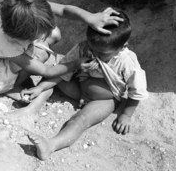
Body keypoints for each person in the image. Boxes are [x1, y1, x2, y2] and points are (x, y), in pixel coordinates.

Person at [22, 11, 149, 160]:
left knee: (80, 120)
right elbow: (64, 69)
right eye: (92, 47)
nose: (94, 53)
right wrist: (40, 87)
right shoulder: (84, 47)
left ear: (122, 47)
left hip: (103, 101)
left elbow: (137, 91)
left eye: (101, 53)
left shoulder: (127, 62)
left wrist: (126, 115)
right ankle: (33, 106)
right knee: (53, 74)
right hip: (78, 88)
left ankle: (50, 146)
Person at [0, 0, 122, 104]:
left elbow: (63, 9)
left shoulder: (29, 8)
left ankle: (16, 75)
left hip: (1, 47)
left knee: (54, 33)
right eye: (39, 33)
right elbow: (46, 70)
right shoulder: (8, 45)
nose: (44, 34)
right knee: (41, 55)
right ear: (22, 37)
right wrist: (75, 64)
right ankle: (12, 86)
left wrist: (90, 17)